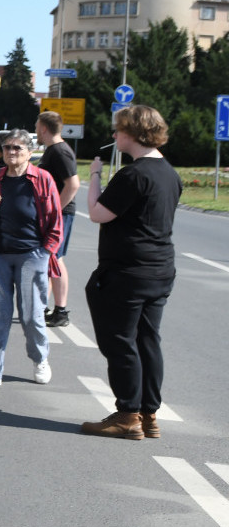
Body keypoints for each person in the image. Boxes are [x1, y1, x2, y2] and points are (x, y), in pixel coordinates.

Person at [81, 105, 181, 440]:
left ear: (133, 133)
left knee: (121, 342)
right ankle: (149, 414)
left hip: (127, 272)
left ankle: (127, 414)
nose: (114, 135)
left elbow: (97, 213)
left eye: (118, 129)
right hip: (160, 269)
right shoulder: (168, 172)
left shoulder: (134, 174)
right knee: (148, 340)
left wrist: (94, 175)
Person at [0, 129, 62, 391]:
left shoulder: (42, 178)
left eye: (18, 148)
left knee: (32, 315)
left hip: (31, 254)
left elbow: (56, 221)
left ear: (29, 153)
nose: (12, 152)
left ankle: (40, 359)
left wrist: (45, 253)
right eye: (8, 147)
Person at [36, 111, 80, 328]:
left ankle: (60, 311)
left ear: (44, 128)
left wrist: (54, 211)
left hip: (62, 213)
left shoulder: (60, 151)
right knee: (50, 258)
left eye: (37, 125)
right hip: (56, 213)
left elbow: (73, 184)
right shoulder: (53, 150)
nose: (36, 129)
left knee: (55, 258)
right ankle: (44, 307)